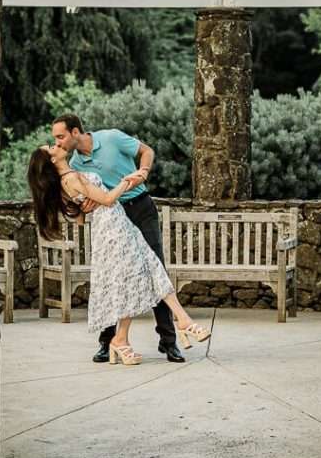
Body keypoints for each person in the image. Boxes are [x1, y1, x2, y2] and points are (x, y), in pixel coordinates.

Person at [27, 142, 210, 365]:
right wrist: (127, 181)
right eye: (51, 147)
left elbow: (80, 218)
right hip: (113, 231)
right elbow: (107, 200)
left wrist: (85, 203)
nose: (57, 145)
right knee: (136, 276)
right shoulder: (71, 179)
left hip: (118, 224)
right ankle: (174, 324)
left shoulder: (67, 179)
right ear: (53, 160)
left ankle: (154, 329)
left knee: (150, 269)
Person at [51, 115, 189, 364]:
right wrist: (85, 206)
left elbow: (147, 151)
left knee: (155, 267)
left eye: (60, 136)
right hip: (114, 217)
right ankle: (107, 342)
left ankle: (169, 341)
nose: (58, 142)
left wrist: (143, 171)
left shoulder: (111, 138)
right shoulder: (74, 165)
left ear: (75, 132)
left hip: (141, 208)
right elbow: (86, 199)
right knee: (113, 276)